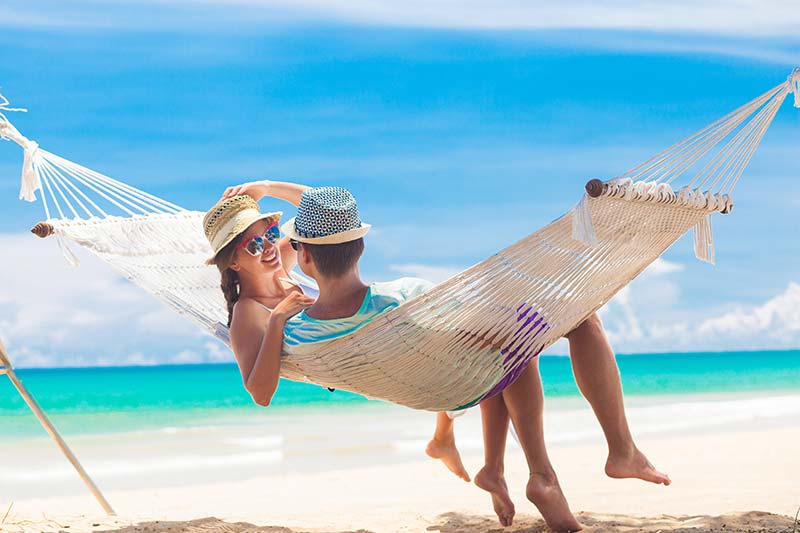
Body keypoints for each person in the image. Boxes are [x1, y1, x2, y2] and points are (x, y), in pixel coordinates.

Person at [203, 181, 318, 406]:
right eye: (254, 246)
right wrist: (277, 319)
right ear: (233, 262)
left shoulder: (281, 265)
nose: (269, 248)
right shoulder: (248, 311)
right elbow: (260, 394)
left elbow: (322, 210)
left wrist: (267, 187)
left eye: (271, 235)